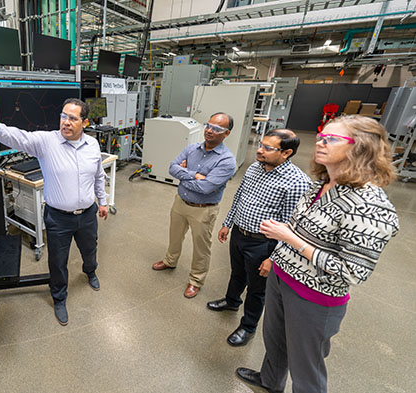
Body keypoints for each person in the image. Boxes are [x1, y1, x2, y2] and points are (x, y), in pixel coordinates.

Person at [236, 115, 399, 393]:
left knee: (306, 366)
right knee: (275, 341)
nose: (320, 143)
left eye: (332, 139)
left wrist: (289, 238)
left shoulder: (370, 205)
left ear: (361, 148)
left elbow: (353, 271)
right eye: (322, 136)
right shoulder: (319, 185)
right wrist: (277, 255)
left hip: (315, 296)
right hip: (281, 278)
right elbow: (300, 230)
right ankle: (269, 381)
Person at [0, 98, 108, 326]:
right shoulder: (46, 142)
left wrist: (103, 202)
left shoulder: (93, 145)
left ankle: (90, 271)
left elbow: (99, 176)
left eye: (72, 118)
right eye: (63, 116)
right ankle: (59, 298)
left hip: (88, 214)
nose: (65, 122)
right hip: (59, 218)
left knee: (90, 249)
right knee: (58, 261)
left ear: (85, 122)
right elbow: (18, 136)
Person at [207, 129, 311, 347]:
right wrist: (228, 223)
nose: (259, 150)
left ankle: (248, 326)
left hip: (263, 243)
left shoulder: (297, 182)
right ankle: (232, 301)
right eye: (261, 145)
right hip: (239, 233)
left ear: (287, 153)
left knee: (257, 288)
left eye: (267, 148)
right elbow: (240, 196)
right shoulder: (254, 167)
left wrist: (272, 258)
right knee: (237, 274)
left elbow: (292, 227)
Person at [152, 113, 237, 298]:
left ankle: (196, 280)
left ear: (227, 133)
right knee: (174, 237)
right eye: (208, 125)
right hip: (180, 202)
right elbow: (172, 167)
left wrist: (184, 175)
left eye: (217, 128)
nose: (209, 130)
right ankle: (170, 260)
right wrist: (194, 174)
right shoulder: (192, 148)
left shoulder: (226, 160)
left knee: (201, 247)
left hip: (203, 210)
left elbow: (206, 188)